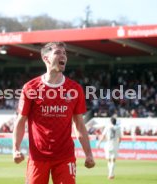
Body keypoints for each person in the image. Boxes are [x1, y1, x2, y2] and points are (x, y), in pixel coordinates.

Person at [13, 42, 95, 184]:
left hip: (65, 156)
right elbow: (21, 121)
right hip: (37, 157)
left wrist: (89, 154)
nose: (63, 56)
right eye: (58, 53)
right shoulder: (31, 88)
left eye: (64, 53)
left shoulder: (75, 89)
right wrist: (15, 149)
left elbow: (80, 125)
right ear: (46, 58)